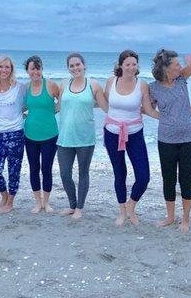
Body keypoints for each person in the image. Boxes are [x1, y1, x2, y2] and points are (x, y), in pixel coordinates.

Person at [149, 49, 191, 233]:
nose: (180, 66)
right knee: (169, 179)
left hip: (190, 139)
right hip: (166, 141)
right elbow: (147, 109)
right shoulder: (153, 87)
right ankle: (170, 217)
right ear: (165, 68)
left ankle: (185, 219)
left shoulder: (181, 79)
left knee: (186, 180)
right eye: (177, 64)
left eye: (180, 64)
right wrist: (164, 119)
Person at [104, 50, 156, 226]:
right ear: (120, 65)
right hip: (112, 133)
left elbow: (148, 110)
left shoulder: (142, 85)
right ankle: (122, 212)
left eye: (134, 64)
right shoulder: (111, 81)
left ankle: (131, 206)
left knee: (143, 176)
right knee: (120, 173)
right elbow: (105, 102)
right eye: (128, 64)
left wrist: (167, 117)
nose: (131, 67)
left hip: (134, 134)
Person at [57, 52, 107, 220]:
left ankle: (79, 207)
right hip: (64, 137)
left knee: (83, 173)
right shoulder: (63, 84)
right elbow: (57, 107)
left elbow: (105, 107)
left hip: (85, 138)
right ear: (68, 69)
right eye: (71, 65)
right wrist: (30, 114)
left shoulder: (93, 84)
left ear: (84, 65)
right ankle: (72, 205)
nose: (75, 68)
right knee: (64, 174)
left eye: (78, 64)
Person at [0, 56, 26, 214]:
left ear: (11, 70)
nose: (4, 70)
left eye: (7, 67)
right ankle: (4, 196)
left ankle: (10, 202)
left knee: (13, 170)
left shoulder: (20, 87)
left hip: (16, 133)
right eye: (1, 67)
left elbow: (30, 104)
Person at [23, 55, 60, 213]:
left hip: (50, 134)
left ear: (42, 69)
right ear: (28, 71)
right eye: (32, 69)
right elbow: (22, 107)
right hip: (30, 134)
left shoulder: (51, 85)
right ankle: (38, 202)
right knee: (33, 168)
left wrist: (53, 111)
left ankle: (47, 202)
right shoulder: (25, 88)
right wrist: (25, 115)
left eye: (38, 68)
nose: (35, 72)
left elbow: (62, 102)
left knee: (46, 168)